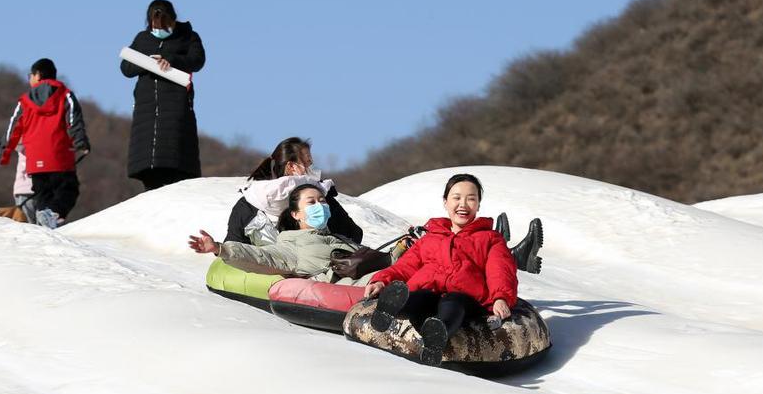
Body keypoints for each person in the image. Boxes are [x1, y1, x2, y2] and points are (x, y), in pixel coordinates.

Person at [363, 173, 518, 365]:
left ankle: (438, 333)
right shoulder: (431, 237)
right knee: (419, 296)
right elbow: (406, 266)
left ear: (478, 205)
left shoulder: (490, 238)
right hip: (429, 291)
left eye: (471, 199)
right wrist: (382, 280)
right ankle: (391, 307)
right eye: (456, 198)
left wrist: (501, 297)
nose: (463, 204)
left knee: (453, 302)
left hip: (466, 297)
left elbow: (500, 270)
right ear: (445, 202)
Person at [189, 183, 362, 280]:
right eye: (311, 202)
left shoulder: (338, 238)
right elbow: (262, 256)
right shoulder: (291, 245)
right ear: (296, 214)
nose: (320, 206)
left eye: (323, 201)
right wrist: (220, 248)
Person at [120, 0, 207, 191]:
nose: (158, 29)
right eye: (154, 25)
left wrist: (172, 60)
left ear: (173, 20)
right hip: (146, 107)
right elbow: (126, 67)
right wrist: (147, 63)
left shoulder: (188, 37)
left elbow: (197, 60)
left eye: (164, 24)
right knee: (148, 162)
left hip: (176, 104)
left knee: (176, 154)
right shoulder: (143, 39)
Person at [0, 58, 91, 229]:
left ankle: (45, 225)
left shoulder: (24, 101)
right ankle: (53, 214)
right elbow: (73, 121)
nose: (29, 79)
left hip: (35, 160)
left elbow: (13, 127)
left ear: (38, 75)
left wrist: (3, 154)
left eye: (30, 75)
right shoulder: (65, 94)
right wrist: (81, 143)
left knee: (43, 194)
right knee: (68, 190)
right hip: (59, 155)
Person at [225, 136, 362, 245]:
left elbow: (232, 248)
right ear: (291, 167)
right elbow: (353, 235)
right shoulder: (321, 200)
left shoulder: (248, 203)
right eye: (308, 163)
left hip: (269, 278)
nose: (314, 170)